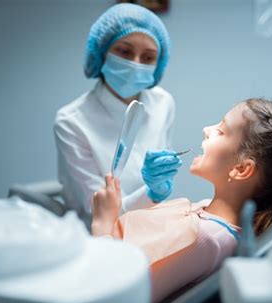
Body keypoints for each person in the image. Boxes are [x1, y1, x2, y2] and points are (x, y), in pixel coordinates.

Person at [90, 98, 272, 303]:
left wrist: (102, 223)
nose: (206, 130)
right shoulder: (209, 212)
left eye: (220, 131)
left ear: (241, 169)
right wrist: (152, 192)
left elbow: (113, 299)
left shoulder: (204, 239)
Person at [54, 3, 181, 221]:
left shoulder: (163, 103)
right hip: (99, 238)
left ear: (158, 64)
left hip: (152, 227)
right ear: (101, 53)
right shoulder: (71, 121)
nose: (135, 63)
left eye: (148, 57)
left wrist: (160, 185)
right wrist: (152, 191)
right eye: (124, 51)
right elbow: (97, 211)